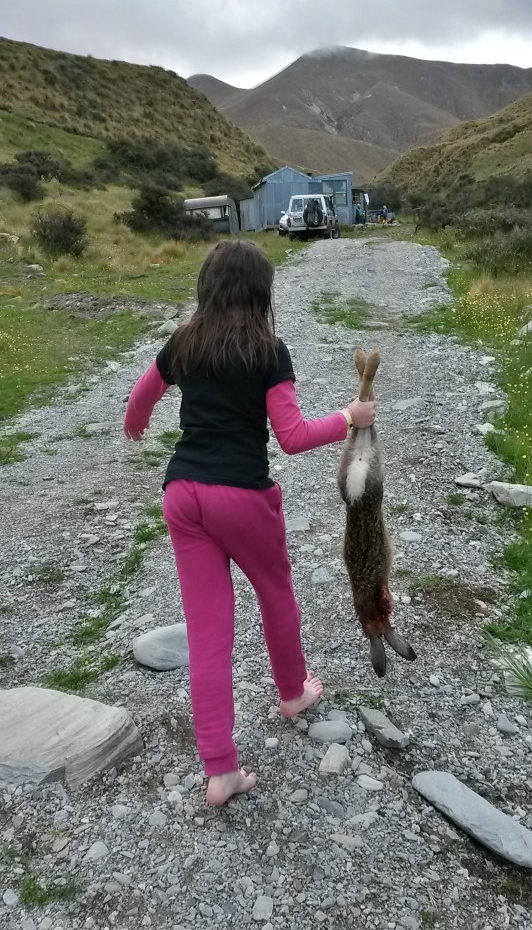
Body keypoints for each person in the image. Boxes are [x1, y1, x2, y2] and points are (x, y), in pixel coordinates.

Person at [124, 240, 375, 805]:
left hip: (182, 494)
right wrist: (349, 416)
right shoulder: (267, 351)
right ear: (261, 292)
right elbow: (292, 437)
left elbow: (142, 396)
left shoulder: (184, 341)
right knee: (276, 595)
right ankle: (292, 692)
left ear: (208, 287)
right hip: (242, 497)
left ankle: (220, 770)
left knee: (207, 634)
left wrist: (135, 423)